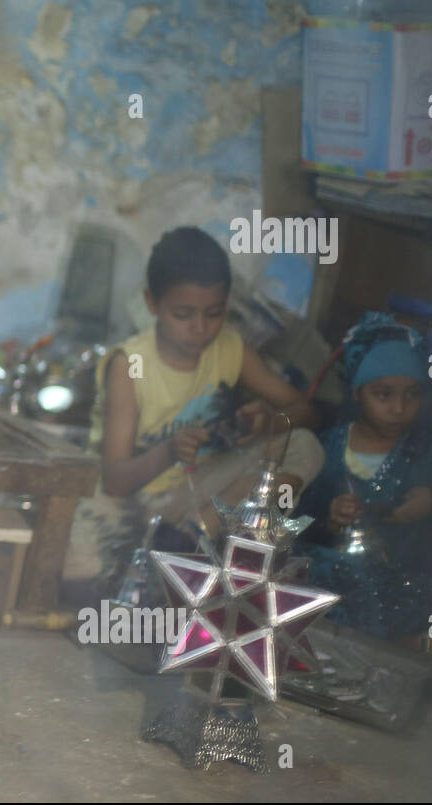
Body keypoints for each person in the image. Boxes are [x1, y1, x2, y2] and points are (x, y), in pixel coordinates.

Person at [64, 227, 323, 590]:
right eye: (183, 314)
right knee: (78, 564)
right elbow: (116, 481)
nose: (200, 328)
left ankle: (204, 536)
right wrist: (169, 450)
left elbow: (306, 412)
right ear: (152, 303)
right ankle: (186, 548)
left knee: (304, 444)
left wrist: (268, 421)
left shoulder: (232, 348)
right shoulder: (130, 365)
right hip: (131, 501)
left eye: (214, 313)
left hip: (198, 494)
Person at [297, 312, 432, 643]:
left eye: (412, 394)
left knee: (430, 619)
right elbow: (294, 517)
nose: (399, 408)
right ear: (358, 393)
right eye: (383, 395)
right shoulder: (325, 449)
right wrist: (328, 521)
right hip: (327, 578)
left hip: (400, 586)